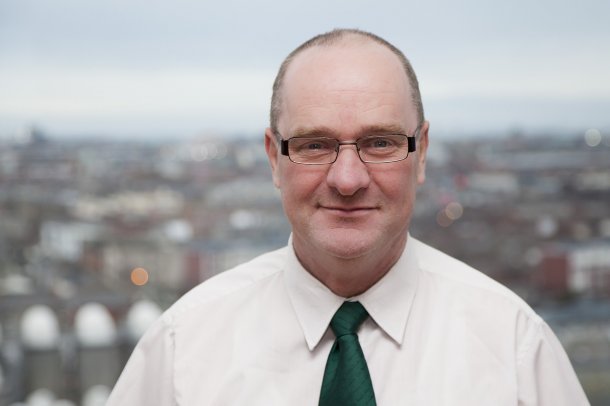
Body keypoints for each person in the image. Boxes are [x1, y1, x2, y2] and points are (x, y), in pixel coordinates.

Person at [106, 29, 589, 405]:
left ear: (420, 156)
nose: (348, 179)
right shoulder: (181, 350)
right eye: (315, 145)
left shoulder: (516, 351)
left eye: (380, 143)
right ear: (274, 158)